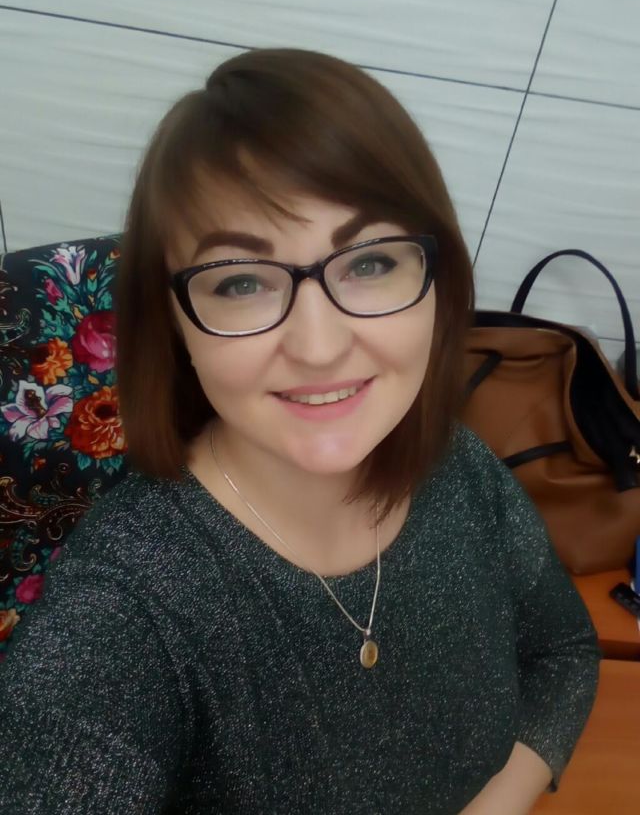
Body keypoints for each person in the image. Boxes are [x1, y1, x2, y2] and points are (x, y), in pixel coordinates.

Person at [0, 48, 599, 815]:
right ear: (175, 322)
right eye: (241, 281)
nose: (318, 347)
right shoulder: (128, 608)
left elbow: (562, 653)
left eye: (370, 264)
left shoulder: (458, 466)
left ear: (436, 283)